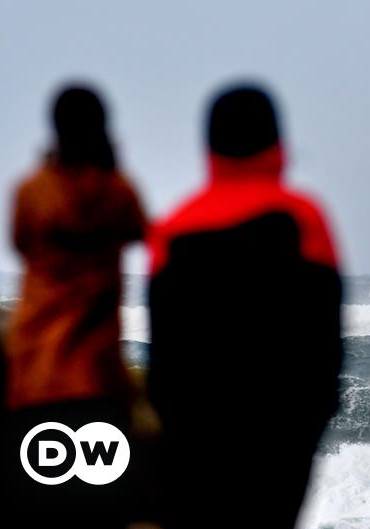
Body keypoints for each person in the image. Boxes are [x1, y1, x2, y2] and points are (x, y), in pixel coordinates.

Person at [146, 84, 344, 528]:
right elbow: (325, 341)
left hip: (194, 441)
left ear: (209, 146)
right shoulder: (303, 219)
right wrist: (310, 423)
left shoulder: (172, 230)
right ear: (277, 142)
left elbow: (164, 362)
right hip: (280, 440)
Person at [0, 84, 146, 527]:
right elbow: (137, 229)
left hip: (36, 379)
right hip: (97, 381)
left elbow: (20, 240)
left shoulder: (32, 191)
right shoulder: (117, 191)